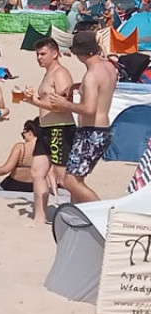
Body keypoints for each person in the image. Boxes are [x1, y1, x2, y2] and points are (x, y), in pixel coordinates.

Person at [46, 31, 118, 204]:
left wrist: (65, 105)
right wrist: (77, 86)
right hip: (102, 131)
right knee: (77, 180)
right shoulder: (109, 67)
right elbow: (102, 89)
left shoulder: (91, 75)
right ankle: (78, 217)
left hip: (91, 133)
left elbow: (89, 109)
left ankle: (102, 212)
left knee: (69, 180)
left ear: (81, 53)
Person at [20, 37, 76, 223]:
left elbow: (64, 105)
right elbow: (47, 102)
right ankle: (40, 216)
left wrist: (34, 101)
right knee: (37, 171)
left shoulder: (60, 73)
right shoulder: (48, 73)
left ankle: (83, 210)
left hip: (59, 129)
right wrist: (32, 98)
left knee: (63, 178)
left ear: (55, 53)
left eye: (43, 54)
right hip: (46, 128)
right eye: (37, 54)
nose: (39, 58)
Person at [0, 119, 41, 193]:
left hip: (14, 184)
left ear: (30, 133)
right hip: (33, 186)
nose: (23, 138)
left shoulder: (20, 147)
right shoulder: (44, 148)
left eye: (23, 134)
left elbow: (6, 169)